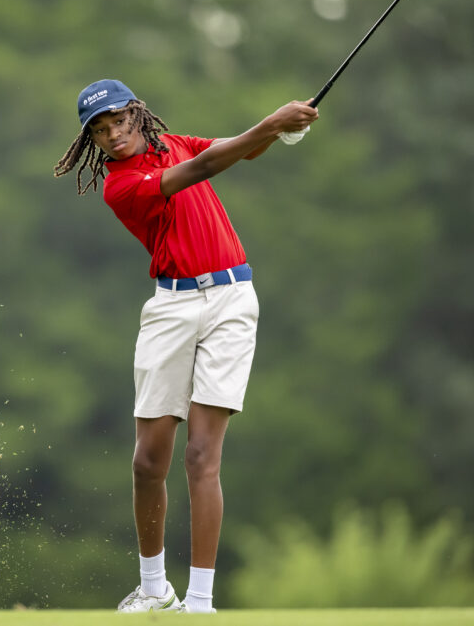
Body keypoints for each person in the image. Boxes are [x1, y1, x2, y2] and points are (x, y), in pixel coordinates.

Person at [54, 79, 318, 613]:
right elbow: (203, 170)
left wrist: (283, 129)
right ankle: (155, 590)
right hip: (171, 307)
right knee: (148, 462)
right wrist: (270, 122)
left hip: (232, 300)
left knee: (202, 455)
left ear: (137, 113)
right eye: (99, 132)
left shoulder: (174, 142)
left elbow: (234, 150)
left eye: (118, 122)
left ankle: (199, 604)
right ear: (92, 141)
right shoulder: (120, 185)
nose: (112, 136)